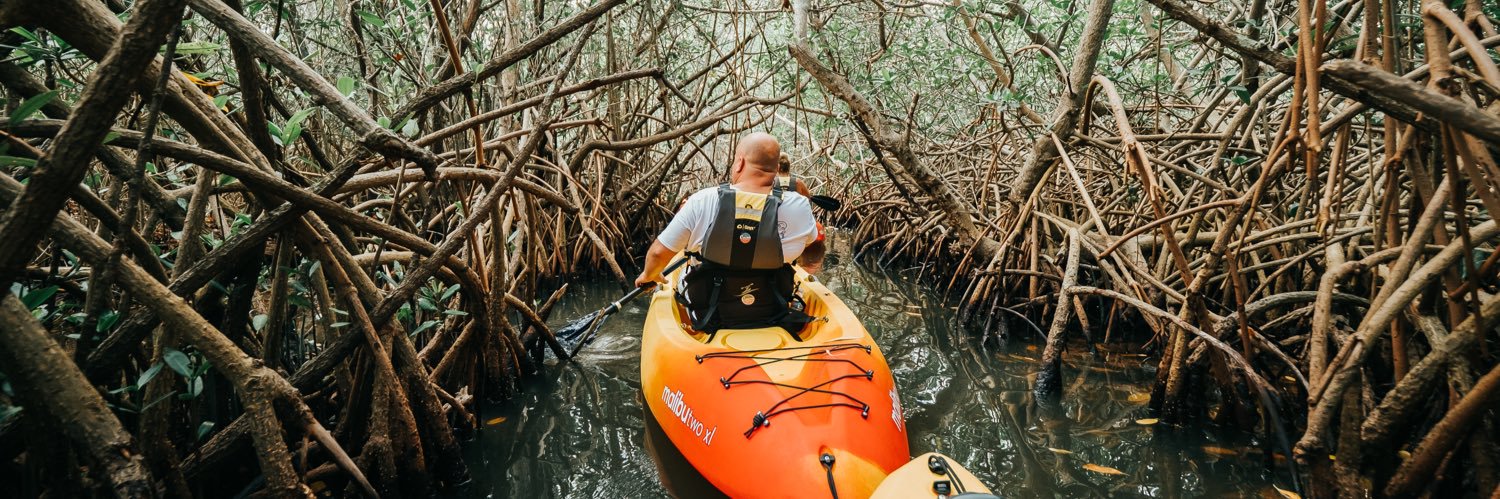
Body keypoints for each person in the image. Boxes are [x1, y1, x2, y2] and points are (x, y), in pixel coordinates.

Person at [635, 132, 825, 334]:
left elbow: (657, 254)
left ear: (739, 163)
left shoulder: (703, 200)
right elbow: (810, 247)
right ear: (777, 168)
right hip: (771, 309)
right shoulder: (800, 205)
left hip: (708, 314)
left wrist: (648, 275)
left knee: (684, 272)